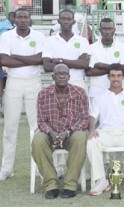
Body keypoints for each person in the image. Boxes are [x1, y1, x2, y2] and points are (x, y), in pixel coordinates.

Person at [87, 63, 124, 196]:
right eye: (113, 76)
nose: (116, 79)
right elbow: (92, 117)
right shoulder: (99, 97)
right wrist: (92, 129)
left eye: (119, 76)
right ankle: (101, 180)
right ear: (108, 77)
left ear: (123, 77)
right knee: (91, 142)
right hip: (106, 133)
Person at [31, 64, 89, 199]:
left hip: (71, 134)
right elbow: (41, 121)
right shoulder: (43, 94)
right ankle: (51, 185)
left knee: (80, 137)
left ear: (69, 76)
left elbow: (84, 119)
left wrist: (68, 132)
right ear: (53, 76)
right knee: (38, 140)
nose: (62, 75)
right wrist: (51, 132)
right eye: (58, 73)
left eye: (65, 73)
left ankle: (70, 185)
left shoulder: (80, 92)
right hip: (50, 135)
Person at [0, 8, 45, 181]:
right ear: (14, 20)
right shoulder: (6, 37)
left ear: (30, 19)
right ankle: (6, 169)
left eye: (26, 17)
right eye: (20, 17)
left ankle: (41, 168)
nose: (23, 20)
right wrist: (29, 59)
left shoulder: (39, 36)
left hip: (34, 83)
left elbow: (40, 59)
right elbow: (4, 60)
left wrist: (16, 57)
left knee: (37, 128)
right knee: (10, 128)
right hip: (13, 83)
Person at [42, 9, 90, 90]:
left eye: (69, 19)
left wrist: (61, 61)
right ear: (58, 21)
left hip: (78, 83)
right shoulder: (49, 41)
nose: (66, 21)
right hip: (57, 84)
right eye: (63, 19)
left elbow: (84, 64)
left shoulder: (82, 41)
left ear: (74, 22)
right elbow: (47, 67)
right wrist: (75, 63)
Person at [86, 17, 124, 101]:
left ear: (114, 30)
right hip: (96, 93)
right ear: (100, 30)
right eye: (104, 29)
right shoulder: (91, 48)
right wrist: (115, 69)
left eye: (110, 28)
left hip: (117, 93)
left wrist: (100, 65)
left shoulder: (123, 47)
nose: (107, 31)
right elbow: (89, 72)